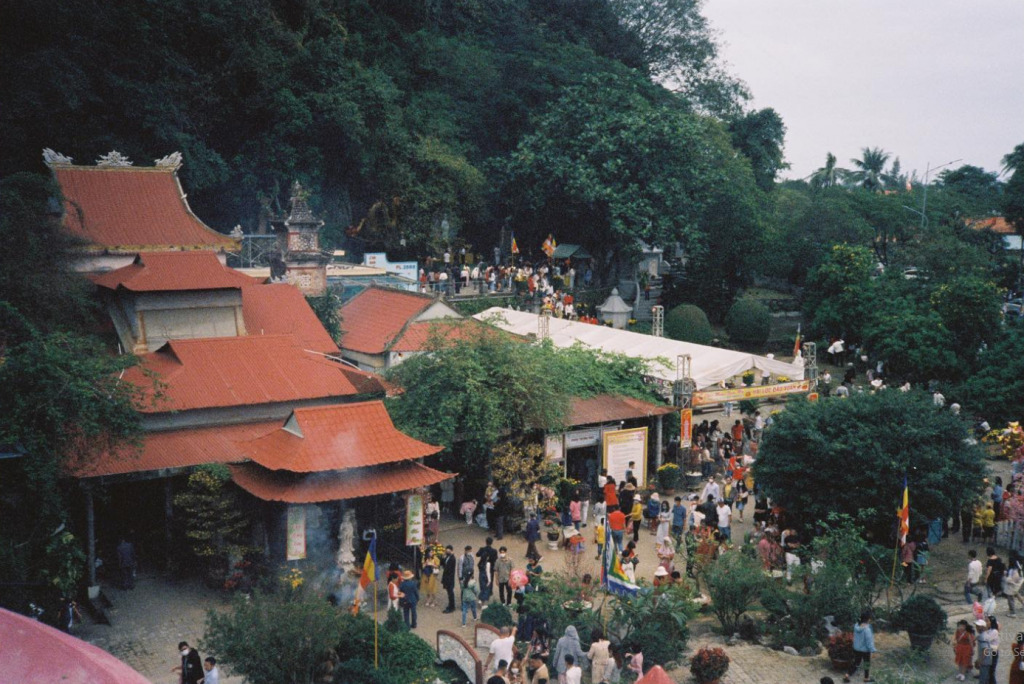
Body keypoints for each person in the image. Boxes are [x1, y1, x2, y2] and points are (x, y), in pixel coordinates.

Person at [843, 611, 875, 683]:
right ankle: (866, 678)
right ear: (868, 619)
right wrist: (872, 650)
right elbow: (869, 642)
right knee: (866, 663)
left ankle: (847, 675)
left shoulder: (856, 626)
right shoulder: (867, 629)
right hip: (865, 650)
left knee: (856, 663)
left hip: (857, 648)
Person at [478, 537, 499, 602]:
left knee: (482, 580)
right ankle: (489, 592)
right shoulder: (494, 551)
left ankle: (483, 593)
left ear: (486, 542)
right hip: (491, 567)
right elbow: (496, 559)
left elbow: (477, 554)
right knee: (490, 580)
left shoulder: (482, 549)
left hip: (483, 566)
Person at [1006, 552, 1024, 616]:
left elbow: (1011, 579)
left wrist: (1007, 579)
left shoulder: (1012, 569)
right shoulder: (1018, 565)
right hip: (1019, 583)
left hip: (1013, 585)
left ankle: (1013, 612)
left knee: (1010, 598)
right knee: (1017, 594)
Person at [442, 545, 458, 613]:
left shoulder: (452, 558)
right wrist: (443, 558)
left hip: (449, 578)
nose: (446, 551)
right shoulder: (448, 557)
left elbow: (448, 568)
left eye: (447, 550)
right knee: (449, 593)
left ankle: (452, 606)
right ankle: (450, 605)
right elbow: (443, 564)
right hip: (447, 577)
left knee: (450, 593)